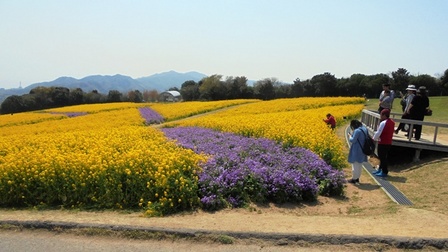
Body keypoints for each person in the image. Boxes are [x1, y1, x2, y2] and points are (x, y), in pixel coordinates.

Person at [372, 109, 395, 177]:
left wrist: (373, 138)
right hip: (388, 142)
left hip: (383, 142)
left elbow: (379, 132)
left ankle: (384, 171)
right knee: (383, 156)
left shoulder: (383, 123)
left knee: (382, 157)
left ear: (384, 115)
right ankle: (380, 169)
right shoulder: (392, 122)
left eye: (381, 115)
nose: (380, 116)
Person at [347, 119, 368, 184]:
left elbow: (353, 140)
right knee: (360, 165)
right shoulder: (364, 129)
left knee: (355, 165)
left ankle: (354, 179)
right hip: (363, 149)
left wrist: (350, 136)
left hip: (356, 150)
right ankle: (357, 178)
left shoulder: (357, 131)